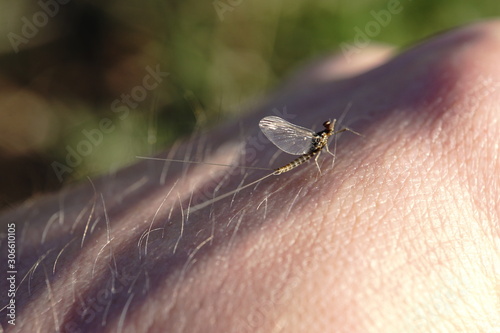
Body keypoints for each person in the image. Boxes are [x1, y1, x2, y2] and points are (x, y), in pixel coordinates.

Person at [1, 20, 498, 332]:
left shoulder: (315, 139)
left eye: (326, 130)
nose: (328, 131)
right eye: (327, 129)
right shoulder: (312, 143)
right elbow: (309, 152)